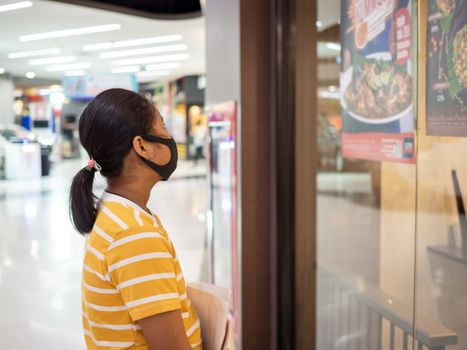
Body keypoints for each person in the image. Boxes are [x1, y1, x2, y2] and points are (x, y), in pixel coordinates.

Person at [69, 88, 202, 350]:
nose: (169, 137)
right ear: (142, 146)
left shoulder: (115, 213)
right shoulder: (134, 235)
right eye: (162, 128)